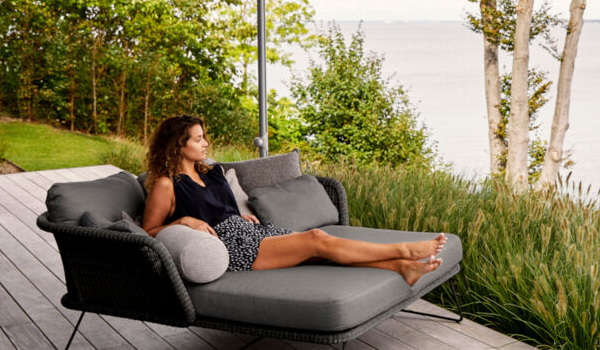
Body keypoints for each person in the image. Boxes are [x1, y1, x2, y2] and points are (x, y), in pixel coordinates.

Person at [141, 114, 445, 285]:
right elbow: (148, 233)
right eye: (198, 139)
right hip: (229, 248)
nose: (206, 143)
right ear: (178, 145)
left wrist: (239, 215)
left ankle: (401, 267)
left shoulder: (213, 172)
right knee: (316, 239)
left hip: (251, 233)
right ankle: (405, 249)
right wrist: (183, 219)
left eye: (205, 136)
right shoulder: (167, 185)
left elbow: (223, 209)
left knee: (324, 254)